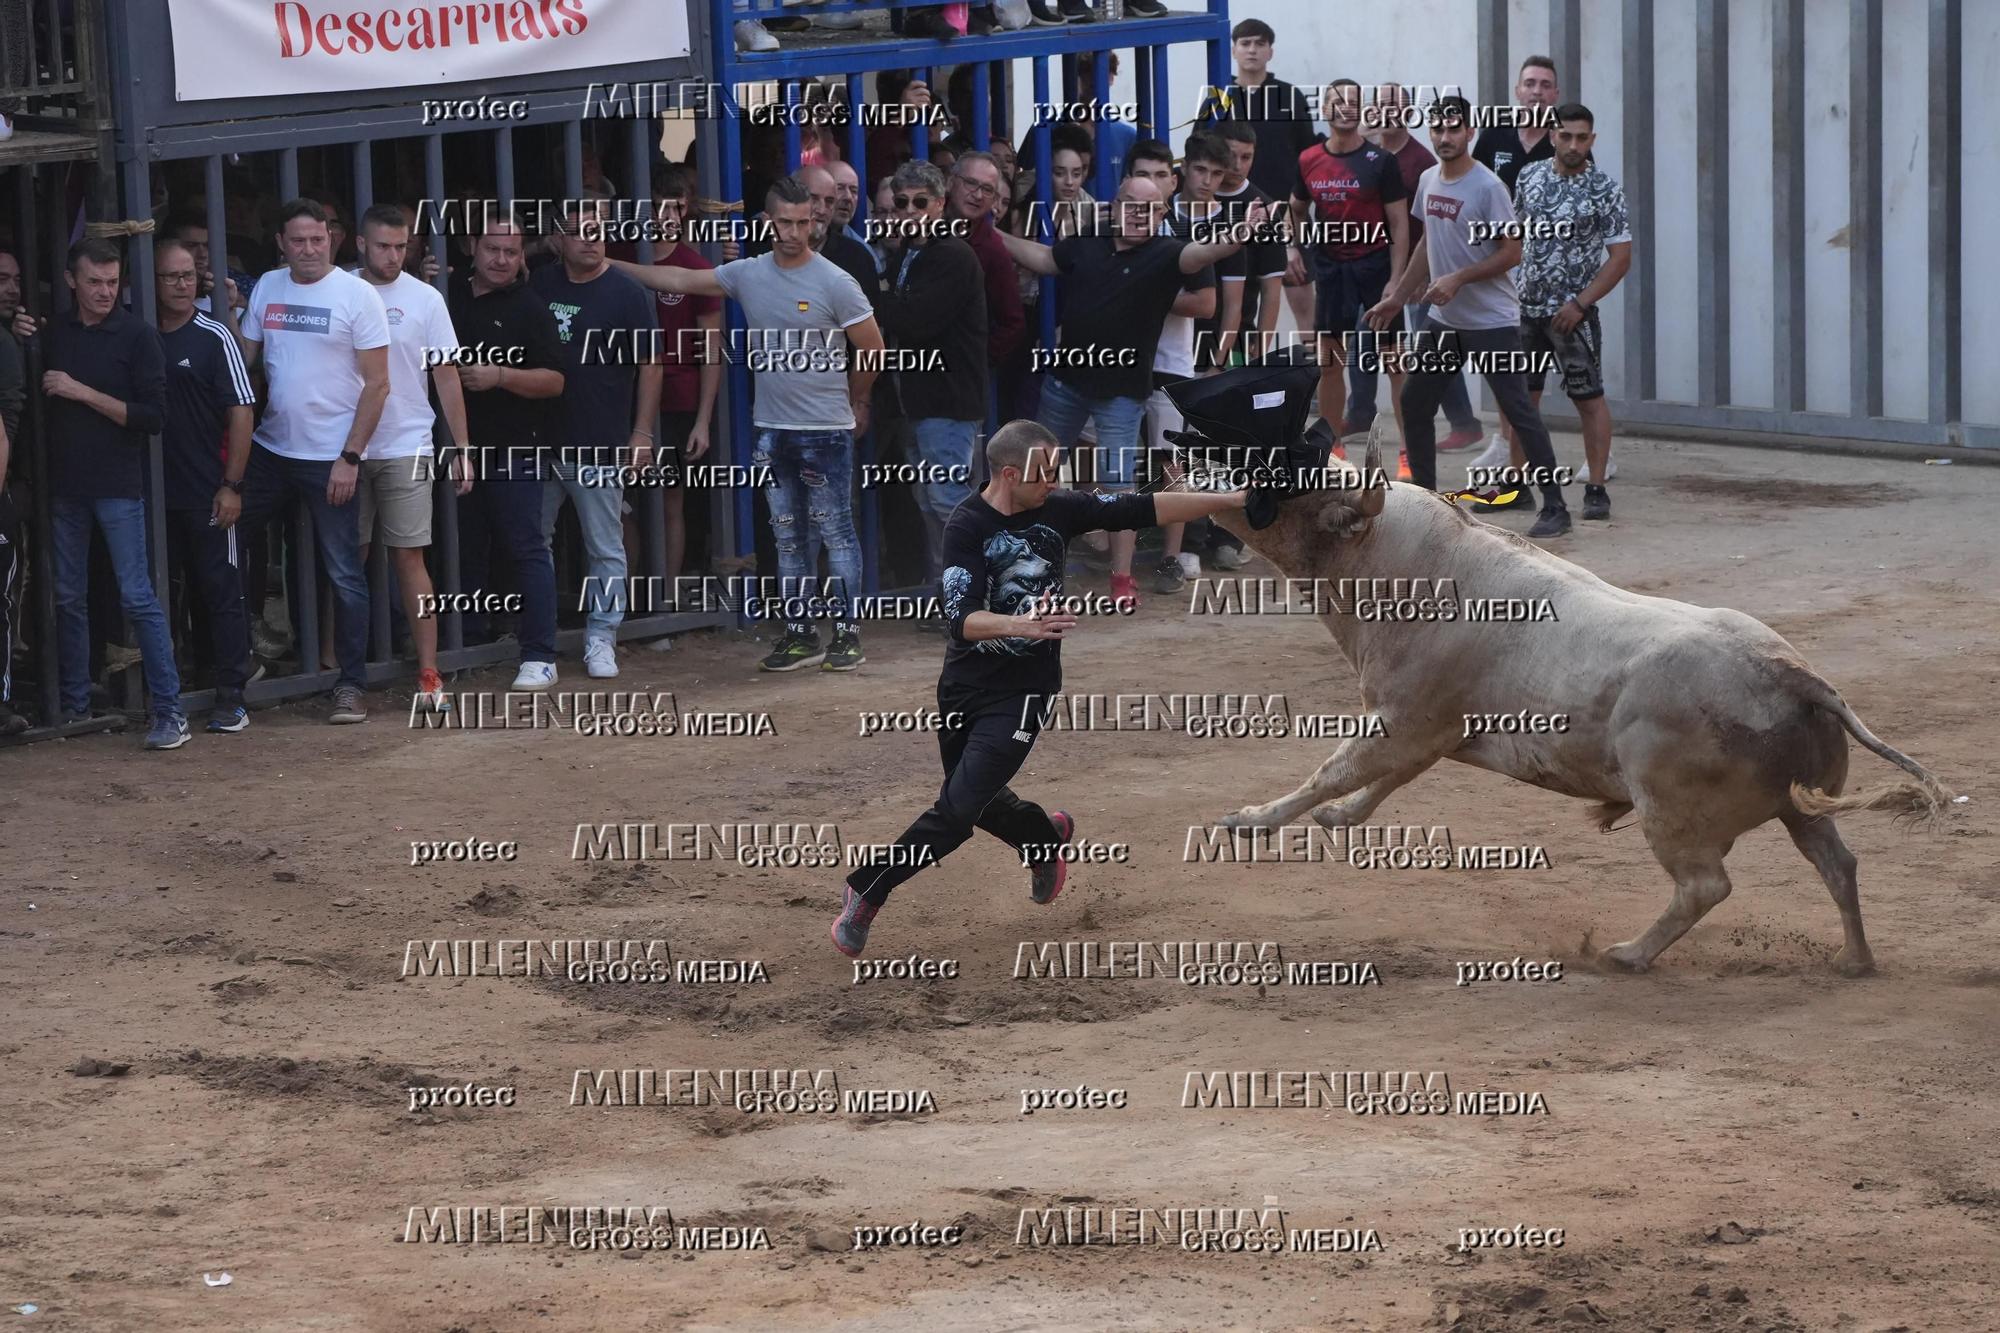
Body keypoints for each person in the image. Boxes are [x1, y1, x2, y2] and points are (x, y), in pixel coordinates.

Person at [831, 420, 1252, 957]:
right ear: (1010, 473)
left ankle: (868, 888)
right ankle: (1041, 840)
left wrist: (1232, 498)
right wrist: (1021, 625)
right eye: (1045, 473)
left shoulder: (1060, 507)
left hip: (1025, 691)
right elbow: (959, 618)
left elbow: (1140, 509)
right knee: (976, 801)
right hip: (963, 686)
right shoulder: (967, 525)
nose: (1055, 482)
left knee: (957, 809)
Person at [612, 178, 885, 673]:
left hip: (823, 429)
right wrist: (608, 263)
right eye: (786, 222)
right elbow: (677, 280)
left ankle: (846, 633)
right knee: (787, 535)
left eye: (805, 222)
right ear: (768, 222)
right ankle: (801, 634)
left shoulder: (835, 281)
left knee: (835, 532)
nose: (795, 232)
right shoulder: (749, 273)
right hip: (773, 426)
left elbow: (873, 348)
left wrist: (850, 399)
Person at [1000, 177, 1264, 607]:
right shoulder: (1088, 241)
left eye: (1149, 208)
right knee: (1036, 473)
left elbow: (1206, 251)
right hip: (1065, 385)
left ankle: (1122, 579)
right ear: (1114, 205)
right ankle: (1023, 570)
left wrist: (1239, 233)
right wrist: (991, 234)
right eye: (1130, 204)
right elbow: (1046, 259)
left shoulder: (1166, 253)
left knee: (1118, 489)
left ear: (1161, 214)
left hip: (1122, 393)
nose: (1138, 214)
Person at [1366, 96, 1570, 539]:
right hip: (1446, 323)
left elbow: (1512, 252)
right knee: (1416, 403)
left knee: (1518, 411)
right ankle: (1426, 502)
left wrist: (1459, 278)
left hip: (1491, 321)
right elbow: (1426, 245)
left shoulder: (1487, 187)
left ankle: (1555, 505)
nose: (1444, 137)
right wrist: (1397, 297)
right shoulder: (1426, 180)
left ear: (1470, 132)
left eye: (1453, 129)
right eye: (1438, 129)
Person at [11, 238, 180, 746]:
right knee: (66, 596)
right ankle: (74, 706)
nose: (106, 291)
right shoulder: (54, 333)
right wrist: (22, 340)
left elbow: (152, 417)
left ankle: (170, 712)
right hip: (64, 489)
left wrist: (80, 391)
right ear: (71, 281)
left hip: (116, 487)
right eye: (95, 282)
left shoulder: (137, 336)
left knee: (137, 596)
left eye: (113, 282)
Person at [233, 197, 390, 724]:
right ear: (281, 243)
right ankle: (232, 665)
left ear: (333, 239)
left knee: (344, 573)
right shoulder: (268, 288)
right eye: (297, 240)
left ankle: (350, 684)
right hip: (271, 451)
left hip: (330, 457)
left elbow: (379, 383)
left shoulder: (357, 295)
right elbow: (243, 363)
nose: (308, 249)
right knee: (225, 540)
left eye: (317, 239)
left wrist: (350, 457)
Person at [533, 196, 662, 681]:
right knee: (534, 543)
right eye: (579, 230)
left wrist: (642, 432)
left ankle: (602, 637)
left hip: (600, 440)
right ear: (558, 241)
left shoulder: (627, 293)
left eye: (598, 228)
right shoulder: (540, 283)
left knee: (604, 546)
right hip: (541, 440)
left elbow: (651, 365)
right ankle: (538, 640)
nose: (592, 238)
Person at [352, 204, 474, 708]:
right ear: (360, 244)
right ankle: (335, 670)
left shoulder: (426, 298)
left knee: (410, 556)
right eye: (383, 245)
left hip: (408, 443)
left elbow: (446, 375)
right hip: (347, 447)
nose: (393, 256)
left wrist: (463, 448)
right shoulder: (340, 289)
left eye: (402, 246)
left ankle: (429, 673)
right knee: (347, 560)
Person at [448, 211, 566, 691]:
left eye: (512, 251)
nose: (501, 259)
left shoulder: (529, 307)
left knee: (526, 548)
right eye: (493, 249)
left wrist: (500, 376)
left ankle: (540, 654)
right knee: (463, 547)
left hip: (515, 449)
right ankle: (470, 641)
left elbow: (556, 381)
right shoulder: (445, 294)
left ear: (523, 257)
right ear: (473, 247)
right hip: (454, 449)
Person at [153, 239, 257, 735]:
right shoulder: (139, 336)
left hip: (207, 491)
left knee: (221, 591)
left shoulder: (214, 335)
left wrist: (231, 484)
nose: (181, 285)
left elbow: (242, 410)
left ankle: (232, 694)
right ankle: (177, 689)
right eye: (170, 277)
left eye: (188, 276)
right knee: (164, 596)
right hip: (150, 498)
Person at [873, 160, 989, 586]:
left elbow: (915, 320)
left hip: (949, 403)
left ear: (940, 203)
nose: (908, 210)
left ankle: (970, 597)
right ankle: (951, 593)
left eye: (920, 202)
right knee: (931, 502)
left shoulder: (952, 254)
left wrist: (879, 294)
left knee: (949, 503)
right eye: (901, 202)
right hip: (923, 403)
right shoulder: (910, 251)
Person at [1514, 103, 1631, 521]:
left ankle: (1596, 487)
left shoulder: (1605, 188)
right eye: (1566, 136)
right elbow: (1514, 241)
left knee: (1589, 398)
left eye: (1582, 138)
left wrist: (1580, 303)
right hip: (1527, 310)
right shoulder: (1529, 177)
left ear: (1592, 141)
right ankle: (1517, 482)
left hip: (1573, 316)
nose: (1573, 144)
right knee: (1521, 399)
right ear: (1552, 136)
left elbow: (1620, 258)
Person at [1356, 80, 1481, 454]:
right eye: (1381, 106)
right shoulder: (1368, 154)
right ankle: (1358, 411)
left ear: (1410, 114)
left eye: (1397, 106)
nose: (1388, 113)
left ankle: (1464, 422)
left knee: (1434, 345)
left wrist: (1420, 273)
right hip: (1376, 263)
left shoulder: (1422, 161)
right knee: (1368, 337)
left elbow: (1432, 222)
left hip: (1421, 268)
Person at [1291, 79, 1410, 466]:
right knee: (1330, 363)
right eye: (1337, 101)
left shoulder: (1381, 161)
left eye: (1353, 102)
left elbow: (1399, 224)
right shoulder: (1309, 158)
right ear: (1325, 109)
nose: (1345, 107)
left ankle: (1412, 449)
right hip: (1332, 270)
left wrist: (1396, 280)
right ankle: (1332, 450)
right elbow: (1295, 206)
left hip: (1376, 268)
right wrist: (1295, 246)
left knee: (1394, 361)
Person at [1126, 136, 1224, 596]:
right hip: (1120, 367)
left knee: (1172, 465)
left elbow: (1207, 304)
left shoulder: (1185, 241)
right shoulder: (1113, 234)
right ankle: (1108, 553)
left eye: (1161, 175)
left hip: (1170, 366)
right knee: (1113, 463)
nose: (1153, 184)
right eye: (1143, 175)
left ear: (1172, 181)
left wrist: (1147, 295)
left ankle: (1172, 555)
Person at [1197, 18, 1320, 335]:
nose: (1252, 50)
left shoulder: (1290, 97)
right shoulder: (1217, 99)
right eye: (1245, 43)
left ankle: (1311, 383)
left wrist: (1291, 232)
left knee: (1306, 314)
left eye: (1260, 43)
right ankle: (1223, 373)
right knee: (1226, 307)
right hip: (1224, 218)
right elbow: (1199, 155)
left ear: (1270, 51)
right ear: (1234, 50)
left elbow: (1309, 159)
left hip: (1283, 215)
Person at [638, 168, 722, 606]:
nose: (666, 214)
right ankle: (634, 600)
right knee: (626, 502)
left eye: (676, 205)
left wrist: (704, 420)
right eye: (658, 204)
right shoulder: (620, 254)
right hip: (626, 401)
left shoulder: (696, 266)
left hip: (677, 402)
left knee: (670, 497)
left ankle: (667, 600)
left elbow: (711, 349)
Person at [1473, 55, 1565, 197]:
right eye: (1529, 84)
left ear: (1555, 94)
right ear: (1517, 91)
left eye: (1545, 85)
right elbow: (1474, 190)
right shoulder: (1492, 137)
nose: (1537, 91)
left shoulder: (1568, 142)